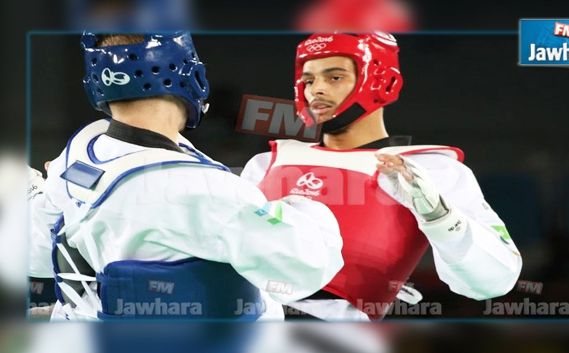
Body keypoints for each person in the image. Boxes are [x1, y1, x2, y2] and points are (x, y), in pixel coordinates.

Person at [28, 32, 343, 321]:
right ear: (189, 76)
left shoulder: (80, 152)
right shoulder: (202, 191)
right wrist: (303, 207)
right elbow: (306, 266)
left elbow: (34, 252)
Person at [241, 32, 523, 321]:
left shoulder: (431, 170)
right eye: (309, 80)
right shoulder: (267, 164)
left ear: (381, 81)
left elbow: (495, 281)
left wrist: (441, 217)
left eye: (334, 77)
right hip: (237, 324)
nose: (317, 91)